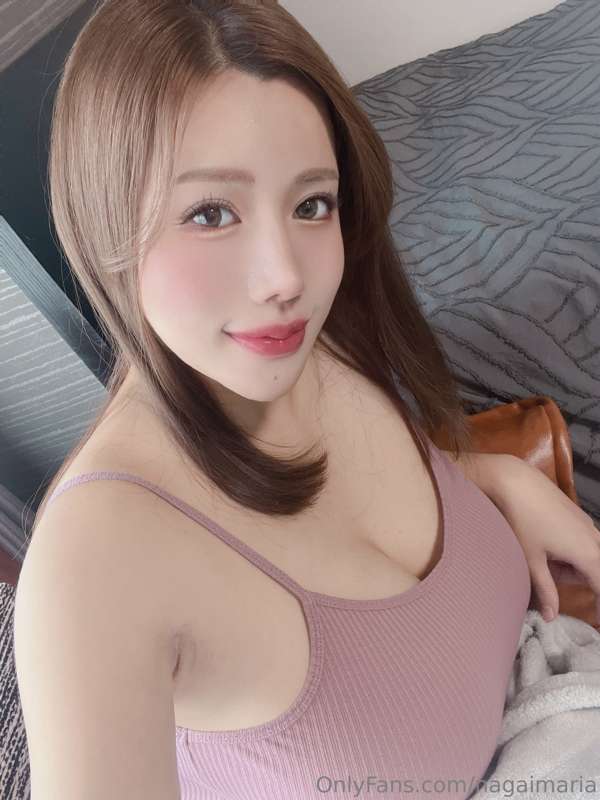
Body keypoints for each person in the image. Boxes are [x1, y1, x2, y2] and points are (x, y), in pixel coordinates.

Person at [13, 2, 534, 798]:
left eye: (311, 204)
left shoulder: (315, 343)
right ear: (103, 222)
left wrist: (507, 482)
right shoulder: (91, 569)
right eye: (210, 213)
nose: (285, 275)